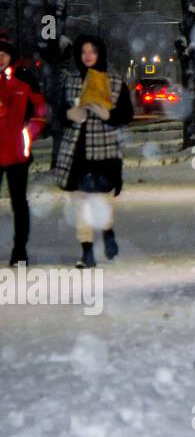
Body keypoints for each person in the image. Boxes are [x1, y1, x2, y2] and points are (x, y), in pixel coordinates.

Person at [53, 34, 133, 269]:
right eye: (83, 52)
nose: (88, 56)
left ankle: (108, 232)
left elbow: (126, 115)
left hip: (103, 153)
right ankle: (86, 251)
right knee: (80, 202)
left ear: (100, 54)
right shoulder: (71, 82)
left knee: (101, 200)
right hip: (76, 152)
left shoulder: (114, 82)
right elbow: (59, 114)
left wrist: (109, 116)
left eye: (92, 51)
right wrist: (69, 115)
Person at [0, 40, 47, 266]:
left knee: (19, 203)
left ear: (11, 56)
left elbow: (40, 111)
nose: (0, 58)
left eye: (3, 54)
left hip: (18, 153)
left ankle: (20, 250)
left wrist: (28, 137)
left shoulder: (25, 80)